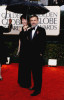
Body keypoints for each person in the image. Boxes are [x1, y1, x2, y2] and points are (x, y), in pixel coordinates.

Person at [27, 15, 46, 96]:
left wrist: (41, 53)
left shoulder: (42, 30)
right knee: (33, 73)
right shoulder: (28, 30)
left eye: (35, 20)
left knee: (38, 74)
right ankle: (35, 86)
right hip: (30, 56)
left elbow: (44, 42)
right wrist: (25, 31)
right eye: (32, 20)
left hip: (38, 56)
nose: (33, 21)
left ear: (37, 21)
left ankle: (38, 90)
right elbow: (26, 42)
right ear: (30, 21)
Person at [17, 14, 31, 88]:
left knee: (27, 67)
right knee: (21, 66)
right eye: (22, 20)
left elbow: (29, 41)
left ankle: (27, 83)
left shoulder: (30, 29)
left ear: (28, 20)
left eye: (25, 19)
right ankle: (21, 82)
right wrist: (18, 50)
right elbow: (20, 40)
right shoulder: (20, 28)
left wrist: (25, 31)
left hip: (28, 50)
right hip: (22, 49)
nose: (23, 21)